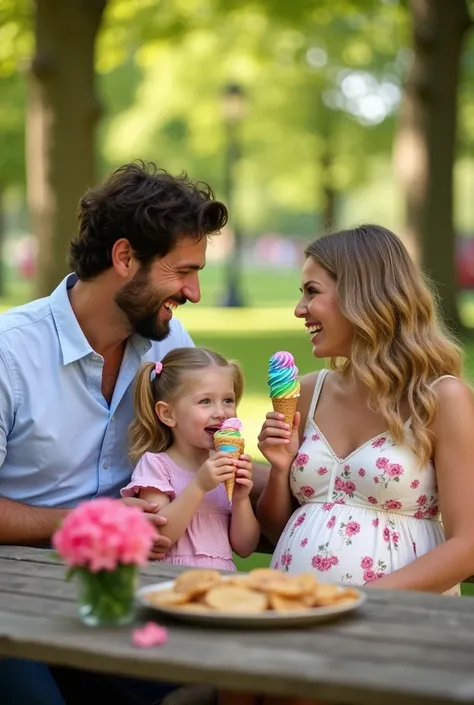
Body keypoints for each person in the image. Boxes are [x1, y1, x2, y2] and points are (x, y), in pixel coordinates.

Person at [0, 161, 243, 704]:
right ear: (125, 257)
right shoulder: (9, 353)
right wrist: (91, 522)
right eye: (182, 271)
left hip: (129, 594)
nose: (195, 292)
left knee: (238, 687)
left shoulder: (166, 341)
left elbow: (200, 446)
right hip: (16, 598)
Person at [257, 224, 474, 595]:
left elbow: (467, 545)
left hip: (394, 623)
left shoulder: (440, 398)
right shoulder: (308, 392)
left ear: (362, 295)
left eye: (312, 292)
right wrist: (280, 469)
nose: (299, 309)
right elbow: (280, 530)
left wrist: (360, 601)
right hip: (293, 610)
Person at [121, 347, 260, 570]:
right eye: (205, 401)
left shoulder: (225, 467)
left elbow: (245, 547)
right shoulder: (156, 465)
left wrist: (242, 499)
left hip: (220, 584)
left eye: (228, 400)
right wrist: (199, 485)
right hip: (171, 581)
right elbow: (160, 536)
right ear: (168, 414)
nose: (221, 412)